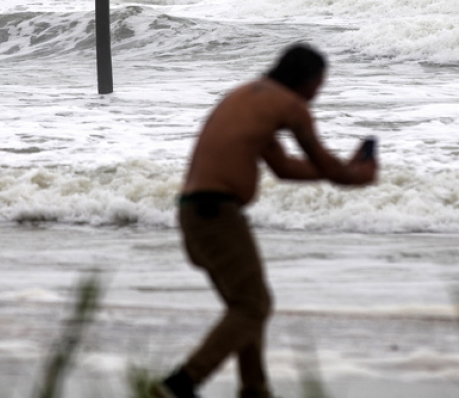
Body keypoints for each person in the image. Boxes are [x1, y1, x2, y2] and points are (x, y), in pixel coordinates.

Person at [154, 43, 378, 398]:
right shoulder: (291, 105)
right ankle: (181, 383)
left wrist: (340, 171)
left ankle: (254, 390)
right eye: (320, 83)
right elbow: (324, 163)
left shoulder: (245, 97)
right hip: (217, 212)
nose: (318, 93)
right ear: (309, 80)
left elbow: (285, 167)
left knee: (246, 307)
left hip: (192, 212)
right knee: (252, 305)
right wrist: (355, 174)